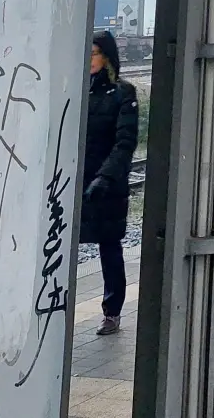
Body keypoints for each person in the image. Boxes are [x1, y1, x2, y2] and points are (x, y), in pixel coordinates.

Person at [81, 30, 140, 336]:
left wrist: (106, 177)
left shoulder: (122, 94)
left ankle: (112, 311)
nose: (88, 59)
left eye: (93, 53)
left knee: (109, 248)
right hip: (76, 182)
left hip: (107, 186)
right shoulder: (77, 90)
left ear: (106, 56)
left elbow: (124, 142)